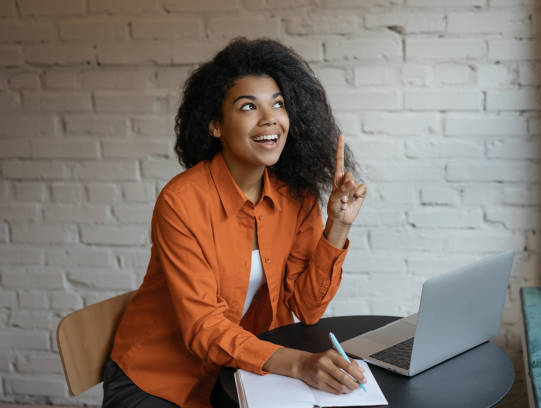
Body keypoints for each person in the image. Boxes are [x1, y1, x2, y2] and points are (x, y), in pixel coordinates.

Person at [102, 37, 367, 408]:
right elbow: (204, 329)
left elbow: (307, 308)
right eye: (248, 106)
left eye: (278, 104)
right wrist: (301, 364)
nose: (270, 117)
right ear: (215, 125)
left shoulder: (298, 196)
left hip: (239, 370)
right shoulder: (182, 202)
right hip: (158, 379)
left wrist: (337, 225)